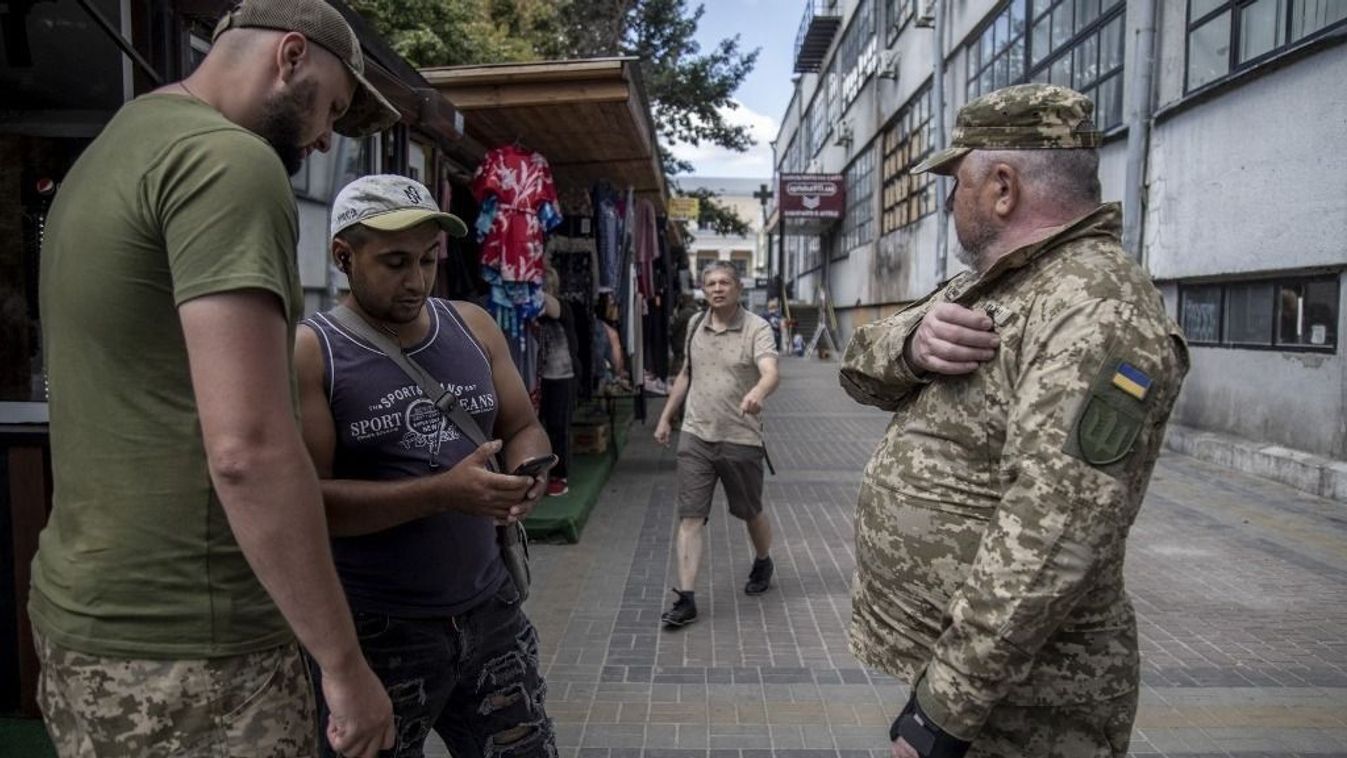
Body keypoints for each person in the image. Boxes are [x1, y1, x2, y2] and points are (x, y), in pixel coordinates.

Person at [30, 1, 401, 755]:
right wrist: (343, 666)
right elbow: (248, 450)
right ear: (290, 57)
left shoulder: (113, 147)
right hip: (196, 646)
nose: (324, 138)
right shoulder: (229, 162)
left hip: (81, 618)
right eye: (331, 109)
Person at [838, 84, 1190, 758]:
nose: (949, 201)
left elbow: (1054, 532)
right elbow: (858, 367)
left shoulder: (1096, 307)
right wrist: (911, 344)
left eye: (956, 182)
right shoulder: (1002, 282)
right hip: (969, 679)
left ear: (1002, 187)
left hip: (1025, 708)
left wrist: (940, 714)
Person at [295, 174, 558, 757]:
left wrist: (528, 469)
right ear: (343, 256)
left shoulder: (472, 324)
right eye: (395, 262)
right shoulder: (313, 352)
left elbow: (521, 424)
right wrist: (443, 492)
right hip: (379, 630)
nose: (416, 280)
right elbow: (310, 504)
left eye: (427, 260)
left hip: (491, 612)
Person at [654, 261, 781, 628]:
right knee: (690, 516)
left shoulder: (756, 328)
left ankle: (763, 560)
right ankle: (686, 598)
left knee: (750, 511)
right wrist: (666, 417)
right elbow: (686, 374)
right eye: (711, 283)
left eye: (725, 282)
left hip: (740, 437)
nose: (718, 288)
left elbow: (771, 372)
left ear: (738, 288)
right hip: (696, 435)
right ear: (703, 289)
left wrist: (758, 392)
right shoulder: (695, 324)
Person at [538, 265, 580, 496]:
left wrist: (529, 287)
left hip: (562, 376)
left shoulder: (562, 307)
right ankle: (539, 474)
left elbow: (552, 309)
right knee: (537, 425)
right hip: (537, 377)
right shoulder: (534, 312)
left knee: (558, 428)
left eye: (546, 284)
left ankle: (559, 475)